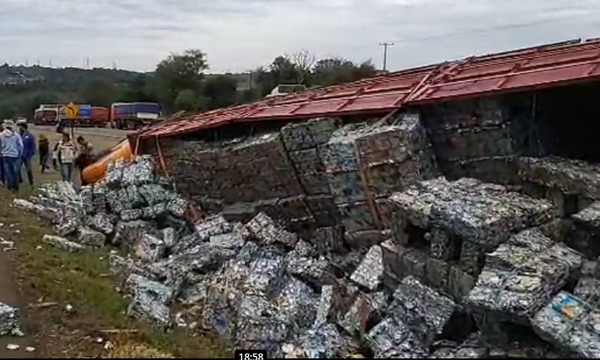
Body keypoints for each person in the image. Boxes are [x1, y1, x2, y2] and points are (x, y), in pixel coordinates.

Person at [0, 120, 23, 191]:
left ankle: (9, 186)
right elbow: (21, 145)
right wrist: (20, 153)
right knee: (15, 172)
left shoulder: (1, 135)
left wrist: (1, 152)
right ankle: (15, 186)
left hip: (5, 155)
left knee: (8, 172)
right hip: (14, 155)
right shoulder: (16, 135)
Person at [17, 120, 35, 187]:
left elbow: (33, 146)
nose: (20, 128)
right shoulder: (18, 136)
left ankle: (31, 182)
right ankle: (19, 180)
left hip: (27, 155)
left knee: (29, 170)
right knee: (17, 168)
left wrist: (30, 154)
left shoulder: (30, 136)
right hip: (20, 155)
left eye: (20, 127)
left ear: (24, 127)